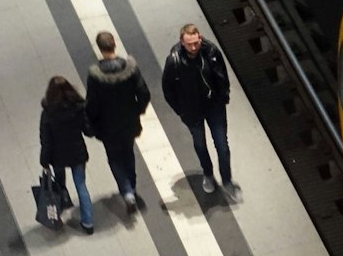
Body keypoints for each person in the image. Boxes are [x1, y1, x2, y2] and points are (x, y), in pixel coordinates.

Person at [161, 23, 234, 197]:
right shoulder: (174, 60)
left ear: (200, 38)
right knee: (200, 144)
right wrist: (181, 111)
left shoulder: (211, 52)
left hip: (214, 107)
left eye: (196, 42)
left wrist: (223, 97)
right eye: (189, 44)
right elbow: (168, 89)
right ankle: (208, 174)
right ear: (182, 42)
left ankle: (227, 180)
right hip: (192, 111)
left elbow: (222, 76)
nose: (194, 47)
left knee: (222, 146)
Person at [83, 30, 152, 211]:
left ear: (99, 48)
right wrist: (138, 110)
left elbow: (92, 103)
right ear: (114, 43)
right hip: (128, 122)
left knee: (114, 158)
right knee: (128, 153)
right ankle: (132, 186)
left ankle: (126, 191)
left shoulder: (95, 74)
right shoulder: (130, 68)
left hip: (107, 126)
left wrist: (91, 121)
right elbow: (144, 93)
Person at [39, 75, 94, 233]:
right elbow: (88, 130)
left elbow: (46, 140)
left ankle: (62, 211)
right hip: (77, 152)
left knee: (60, 185)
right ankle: (88, 222)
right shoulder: (78, 106)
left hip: (57, 156)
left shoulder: (48, 113)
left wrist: (44, 160)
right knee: (81, 185)